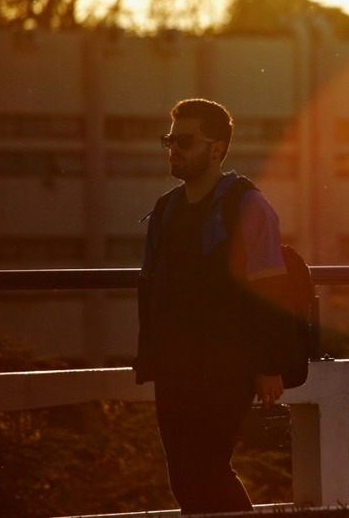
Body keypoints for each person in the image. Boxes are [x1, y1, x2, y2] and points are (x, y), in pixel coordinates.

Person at [134, 98, 292, 514]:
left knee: (207, 468)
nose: (174, 149)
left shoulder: (248, 205)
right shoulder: (166, 209)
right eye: (169, 140)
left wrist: (268, 364)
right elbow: (150, 289)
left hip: (228, 365)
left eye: (185, 140)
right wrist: (149, 357)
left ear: (217, 148)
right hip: (173, 364)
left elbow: (271, 289)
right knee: (183, 475)